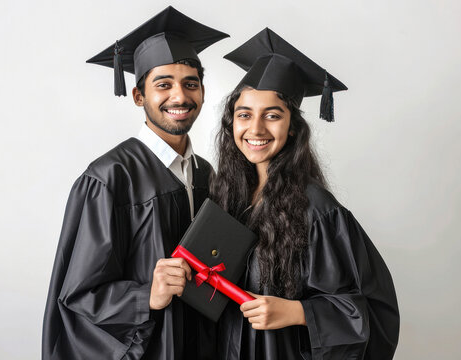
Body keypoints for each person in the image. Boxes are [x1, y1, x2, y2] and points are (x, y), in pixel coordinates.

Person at [42, 7, 228, 360]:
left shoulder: (206, 174)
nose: (179, 96)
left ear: (203, 91)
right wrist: (146, 296)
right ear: (139, 96)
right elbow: (78, 296)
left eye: (191, 84)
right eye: (163, 85)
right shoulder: (109, 178)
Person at [211, 28, 400, 359]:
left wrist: (297, 312)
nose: (255, 129)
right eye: (245, 115)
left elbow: (366, 312)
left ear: (293, 127)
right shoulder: (228, 195)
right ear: (232, 123)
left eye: (272, 115)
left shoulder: (318, 211)